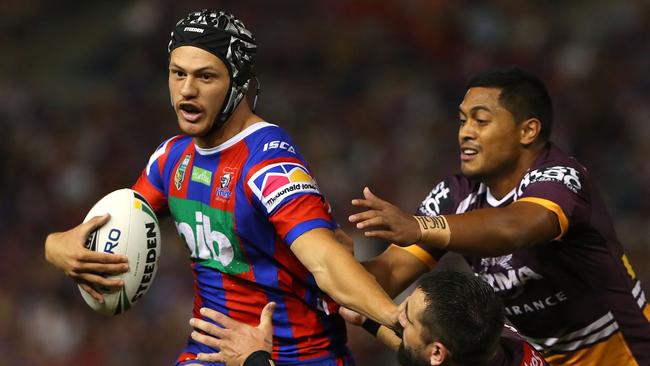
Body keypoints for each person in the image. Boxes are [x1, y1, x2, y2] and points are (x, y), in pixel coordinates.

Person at [44, 9, 399, 365]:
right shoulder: (170, 159)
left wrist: (395, 319)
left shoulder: (269, 161)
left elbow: (325, 259)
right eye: (178, 73)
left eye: (206, 76)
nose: (187, 90)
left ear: (238, 83)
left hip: (297, 357)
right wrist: (57, 247)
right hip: (208, 354)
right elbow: (116, 226)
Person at [348, 67, 650, 365]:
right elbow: (388, 273)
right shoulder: (454, 196)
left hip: (623, 354)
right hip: (534, 358)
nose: (465, 132)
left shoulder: (563, 178)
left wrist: (421, 226)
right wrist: (336, 269)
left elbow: (514, 227)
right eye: (462, 120)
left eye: (481, 121)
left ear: (528, 130)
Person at [189, 270, 549, 366]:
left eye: (404, 321)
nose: (396, 317)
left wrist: (255, 358)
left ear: (438, 353)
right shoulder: (494, 335)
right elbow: (420, 352)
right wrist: (369, 320)